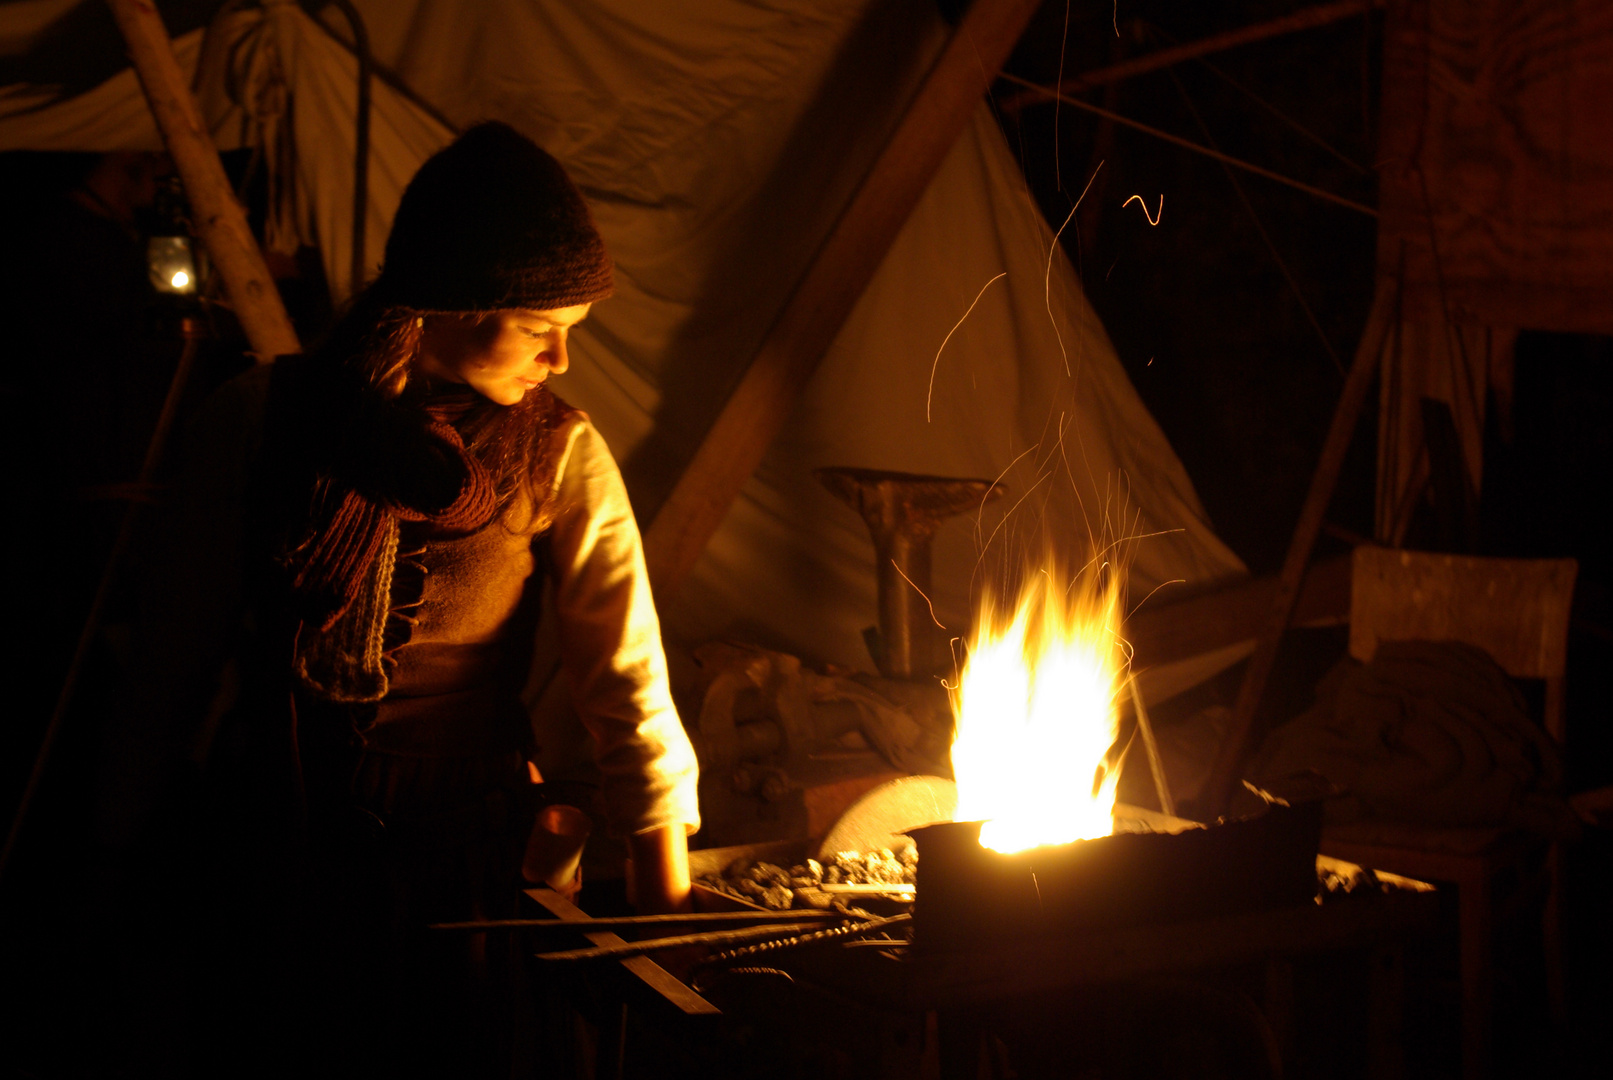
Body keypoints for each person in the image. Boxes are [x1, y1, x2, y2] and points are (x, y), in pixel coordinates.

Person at [100, 122, 700, 1075]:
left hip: (465, 855)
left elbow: (628, 679)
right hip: (278, 841)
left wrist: (666, 912)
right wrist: (107, 859)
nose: (561, 363)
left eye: (572, 336)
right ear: (457, 304)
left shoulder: (560, 451)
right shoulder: (263, 422)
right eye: (544, 330)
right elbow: (169, 668)